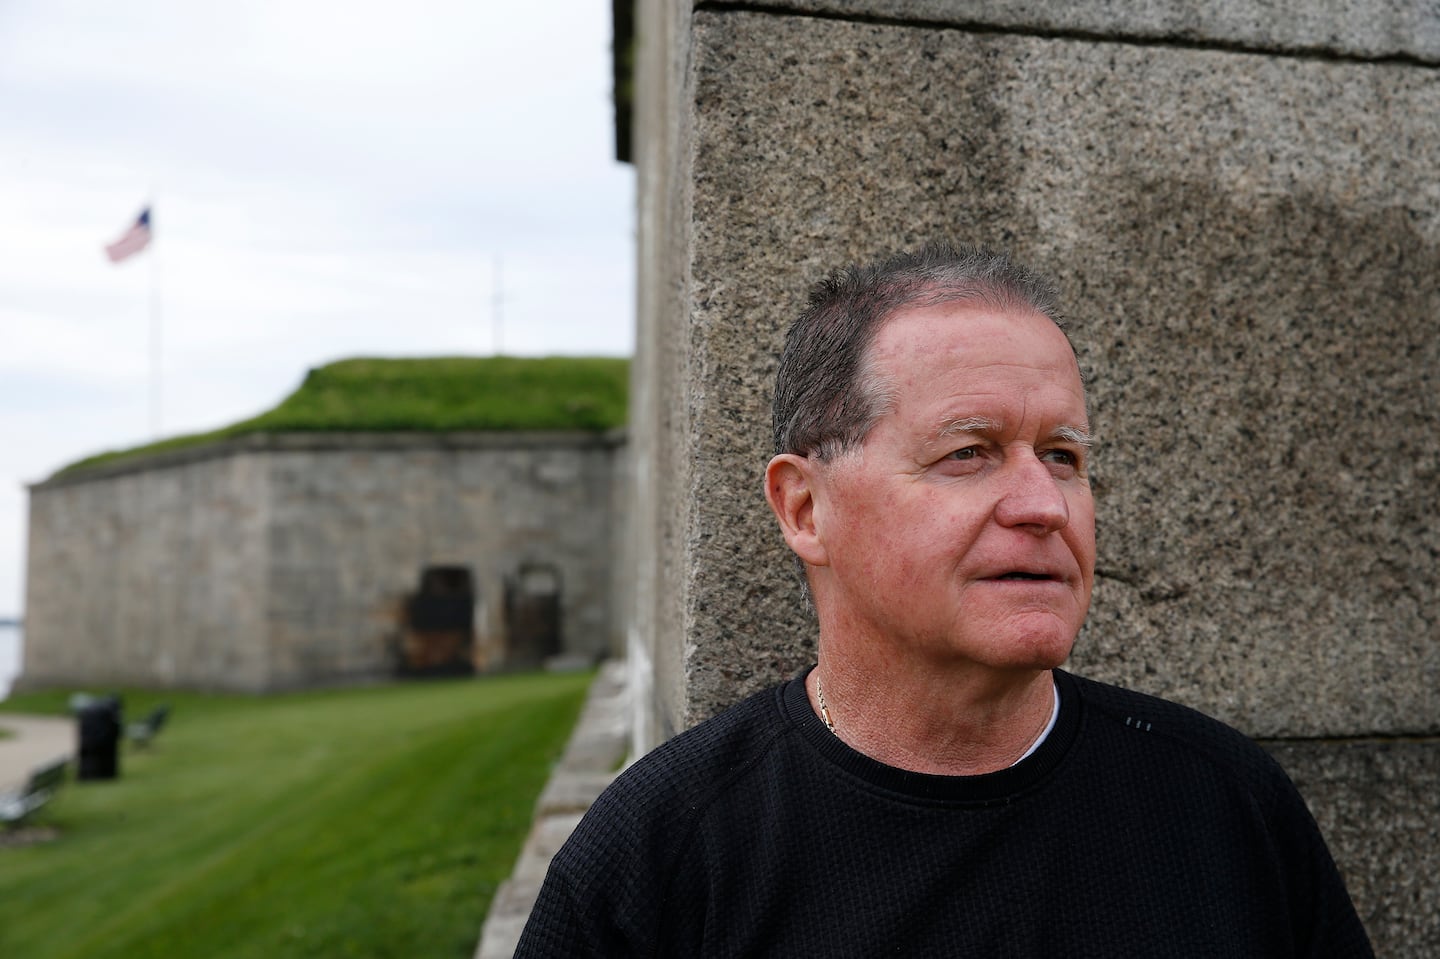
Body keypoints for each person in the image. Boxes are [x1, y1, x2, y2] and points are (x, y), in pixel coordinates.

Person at [515, 242, 1373, 957]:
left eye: (1065, 456)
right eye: (969, 452)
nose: (1043, 504)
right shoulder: (664, 854)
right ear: (805, 509)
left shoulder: (1227, 806)